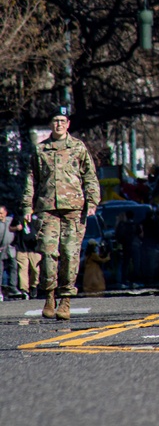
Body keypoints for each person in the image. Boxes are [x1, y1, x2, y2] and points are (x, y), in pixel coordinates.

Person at [20, 110, 100, 320]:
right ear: (50, 123)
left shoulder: (78, 147)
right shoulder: (41, 150)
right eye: (55, 121)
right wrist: (27, 207)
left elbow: (89, 175)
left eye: (62, 121)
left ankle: (65, 300)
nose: (59, 124)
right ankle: (49, 295)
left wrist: (92, 202)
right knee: (47, 254)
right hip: (47, 209)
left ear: (68, 124)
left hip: (74, 209)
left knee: (70, 254)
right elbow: (32, 180)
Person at [0, 204, 18, 300]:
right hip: (0, 249)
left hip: (10, 248)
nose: (0, 215)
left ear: (5, 213)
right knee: (0, 270)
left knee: (14, 267)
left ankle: (13, 288)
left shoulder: (10, 221)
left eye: (1, 213)